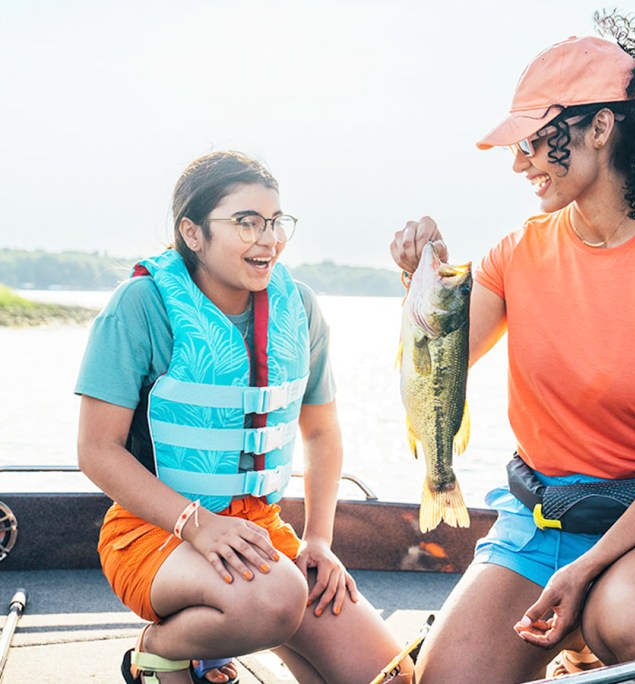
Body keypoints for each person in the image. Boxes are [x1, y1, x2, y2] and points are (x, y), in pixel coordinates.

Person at [390, 10, 635, 684]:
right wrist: (414, 284)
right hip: (541, 521)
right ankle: (590, 635)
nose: (519, 162)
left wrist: (586, 569)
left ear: (600, 126)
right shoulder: (517, 254)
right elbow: (440, 362)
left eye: (533, 140)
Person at [77, 150, 411, 684]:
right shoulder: (140, 305)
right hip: (156, 532)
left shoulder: (298, 307)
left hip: (260, 532)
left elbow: (321, 432)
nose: (269, 239)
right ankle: (160, 652)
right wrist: (199, 525)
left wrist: (318, 542)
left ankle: (232, 631)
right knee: (276, 596)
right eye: (246, 222)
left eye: (276, 222)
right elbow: (96, 451)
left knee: (391, 678)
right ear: (192, 232)